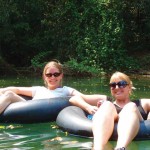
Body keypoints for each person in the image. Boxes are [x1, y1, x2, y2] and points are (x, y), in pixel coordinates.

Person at [0, 59, 107, 114]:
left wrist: (106, 99)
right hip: (28, 109)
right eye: (49, 75)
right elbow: (17, 89)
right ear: (44, 77)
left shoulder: (66, 91)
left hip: (47, 112)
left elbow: (84, 97)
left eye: (56, 74)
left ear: (61, 76)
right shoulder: (38, 89)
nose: (52, 77)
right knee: (9, 93)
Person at [92, 71, 150, 150]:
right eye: (113, 85)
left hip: (138, 124)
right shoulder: (107, 104)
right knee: (106, 105)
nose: (116, 87)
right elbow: (74, 98)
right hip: (109, 115)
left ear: (129, 87)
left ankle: (120, 148)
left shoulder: (142, 103)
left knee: (130, 106)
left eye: (121, 84)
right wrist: (89, 108)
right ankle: (97, 148)